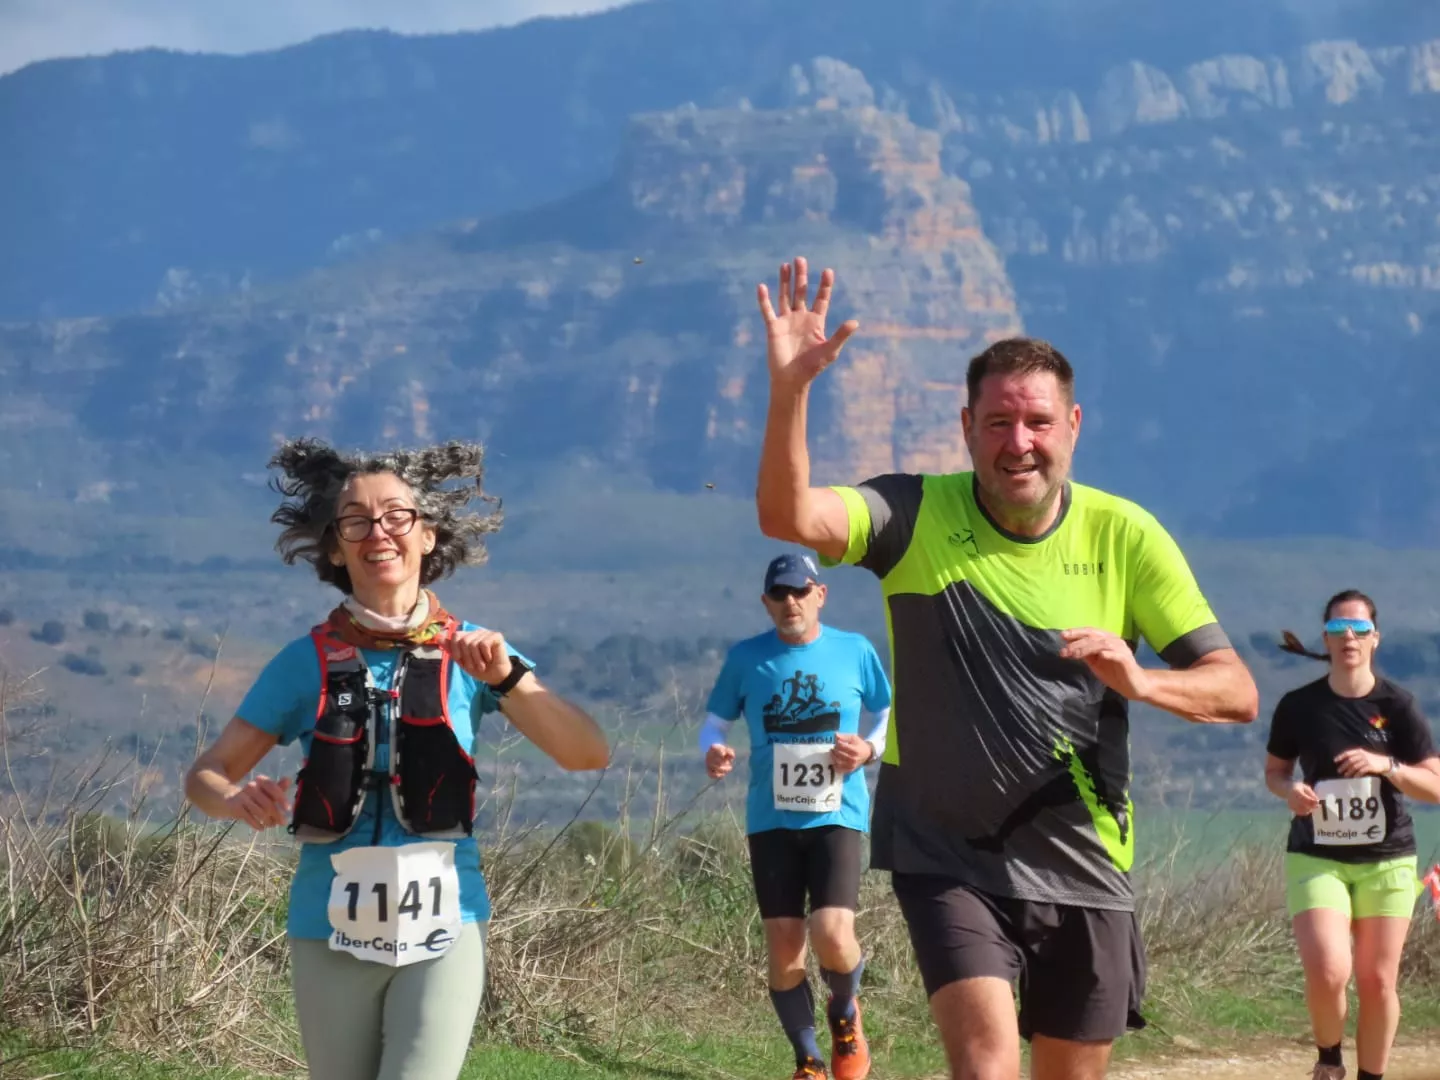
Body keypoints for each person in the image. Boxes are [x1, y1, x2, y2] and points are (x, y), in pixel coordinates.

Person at [751, 256, 1260, 1080]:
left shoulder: (1126, 536)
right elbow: (788, 514)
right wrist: (792, 391)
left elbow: (1236, 692)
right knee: (984, 1064)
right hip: (948, 853)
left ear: (1073, 426)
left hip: (1085, 857)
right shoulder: (911, 514)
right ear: (965, 427)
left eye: (1036, 423)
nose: (1017, 443)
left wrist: (1142, 681)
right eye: (997, 424)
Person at [183, 438, 609, 1080]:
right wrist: (236, 800)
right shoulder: (304, 662)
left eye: (396, 516)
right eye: (355, 520)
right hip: (328, 923)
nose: (377, 532)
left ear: (428, 536)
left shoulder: (476, 653)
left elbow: (587, 752)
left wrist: (509, 680)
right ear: (334, 546)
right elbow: (205, 778)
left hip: (448, 918)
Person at [702, 553, 892, 1080]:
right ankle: (807, 1058)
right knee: (785, 946)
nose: (791, 603)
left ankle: (844, 1013)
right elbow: (714, 723)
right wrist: (714, 749)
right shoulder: (747, 658)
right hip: (771, 821)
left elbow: (886, 711)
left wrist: (868, 751)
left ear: (820, 595)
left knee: (832, 932)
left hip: (838, 814)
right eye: (779, 595)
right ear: (766, 602)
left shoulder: (853, 651)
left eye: (800, 592)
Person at [1266, 590, 1440, 1080]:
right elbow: (1275, 772)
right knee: (1328, 971)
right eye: (1340, 629)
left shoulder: (1398, 705)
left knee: (1378, 979)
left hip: (1387, 859)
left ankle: (1372, 1076)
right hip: (1316, 855)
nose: (1349, 638)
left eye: (1359, 630)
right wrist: (1290, 791)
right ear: (1326, 637)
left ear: (1374, 639)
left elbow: (1434, 785)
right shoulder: (1299, 706)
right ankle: (1329, 1060)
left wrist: (1386, 766)